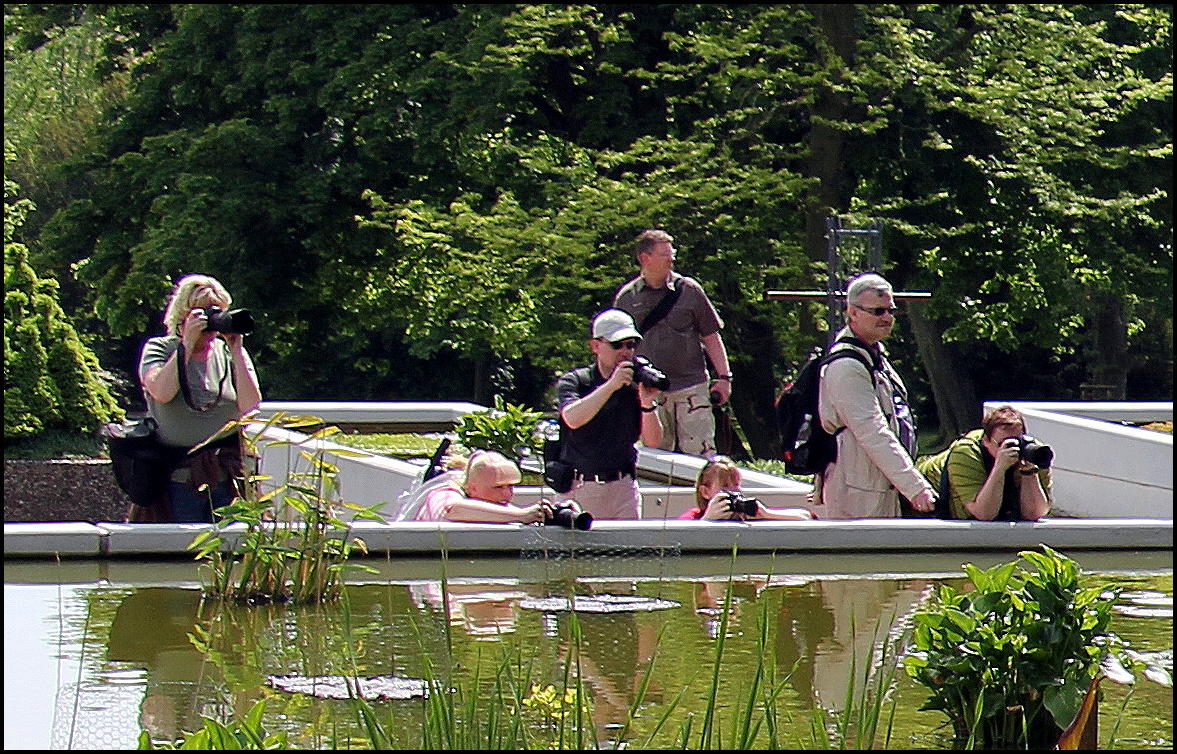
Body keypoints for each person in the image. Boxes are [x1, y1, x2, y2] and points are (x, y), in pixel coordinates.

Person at [138, 274, 262, 523]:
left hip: (229, 475)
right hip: (179, 477)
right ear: (182, 317)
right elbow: (161, 391)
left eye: (216, 313)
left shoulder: (229, 353)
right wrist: (185, 346)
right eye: (201, 313)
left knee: (233, 551)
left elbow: (250, 405)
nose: (210, 322)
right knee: (185, 554)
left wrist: (236, 348)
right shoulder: (160, 349)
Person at [813, 273, 937, 519]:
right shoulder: (846, 365)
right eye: (878, 312)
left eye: (891, 310)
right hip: (859, 490)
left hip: (881, 484)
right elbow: (872, 430)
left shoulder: (874, 357)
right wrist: (915, 487)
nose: (888, 317)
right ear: (853, 312)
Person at [613, 229, 732, 456]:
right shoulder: (627, 298)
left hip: (691, 387)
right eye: (665, 254)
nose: (672, 259)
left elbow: (711, 336)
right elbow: (617, 348)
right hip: (649, 391)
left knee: (701, 456)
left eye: (672, 253)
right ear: (645, 258)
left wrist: (725, 378)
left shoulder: (689, 290)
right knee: (654, 456)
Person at [553, 308, 664, 519]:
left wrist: (647, 403)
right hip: (580, 487)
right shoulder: (576, 381)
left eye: (630, 345)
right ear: (596, 346)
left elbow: (653, 441)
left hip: (622, 487)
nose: (624, 352)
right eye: (616, 345)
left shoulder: (635, 385)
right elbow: (572, 419)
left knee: (628, 550)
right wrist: (611, 385)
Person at [915, 405, 1052, 521]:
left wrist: (1029, 472)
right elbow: (984, 514)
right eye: (1003, 444)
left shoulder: (1035, 452)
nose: (1012, 449)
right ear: (986, 442)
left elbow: (1034, 514)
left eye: (1017, 441)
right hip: (920, 489)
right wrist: (999, 468)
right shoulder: (965, 453)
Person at [414, 450, 550, 523]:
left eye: (510, 486)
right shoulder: (444, 493)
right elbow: (452, 510)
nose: (507, 494)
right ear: (472, 488)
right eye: (498, 487)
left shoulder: (494, 504)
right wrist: (522, 514)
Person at [678, 455, 815, 521]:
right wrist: (707, 520)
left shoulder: (749, 515)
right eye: (725, 487)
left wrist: (765, 513)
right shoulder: (695, 517)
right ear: (705, 491)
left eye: (736, 485)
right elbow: (676, 539)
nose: (734, 491)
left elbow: (807, 518)